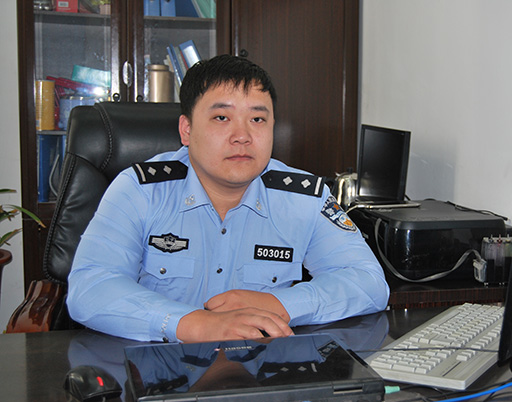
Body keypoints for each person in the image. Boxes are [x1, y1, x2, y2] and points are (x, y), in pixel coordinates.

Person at [66, 54, 389, 343]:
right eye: (222, 118)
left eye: (257, 119)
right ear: (187, 130)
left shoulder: (304, 197)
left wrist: (280, 304)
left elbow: (369, 282)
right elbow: (90, 288)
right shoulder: (139, 190)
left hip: (261, 372)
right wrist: (193, 324)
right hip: (161, 369)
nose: (242, 136)